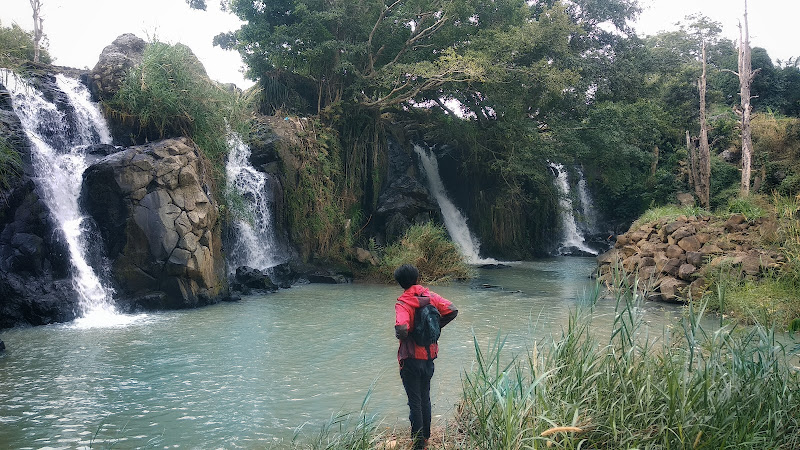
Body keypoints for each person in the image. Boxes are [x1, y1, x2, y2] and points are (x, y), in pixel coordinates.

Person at [393, 264, 458, 449]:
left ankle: (418, 443)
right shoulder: (431, 297)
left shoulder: (403, 303)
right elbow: (452, 310)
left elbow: (402, 328)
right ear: (417, 278)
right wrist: (434, 328)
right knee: (425, 397)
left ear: (400, 283)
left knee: (414, 401)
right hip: (429, 357)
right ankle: (426, 437)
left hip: (411, 359)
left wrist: (407, 335)